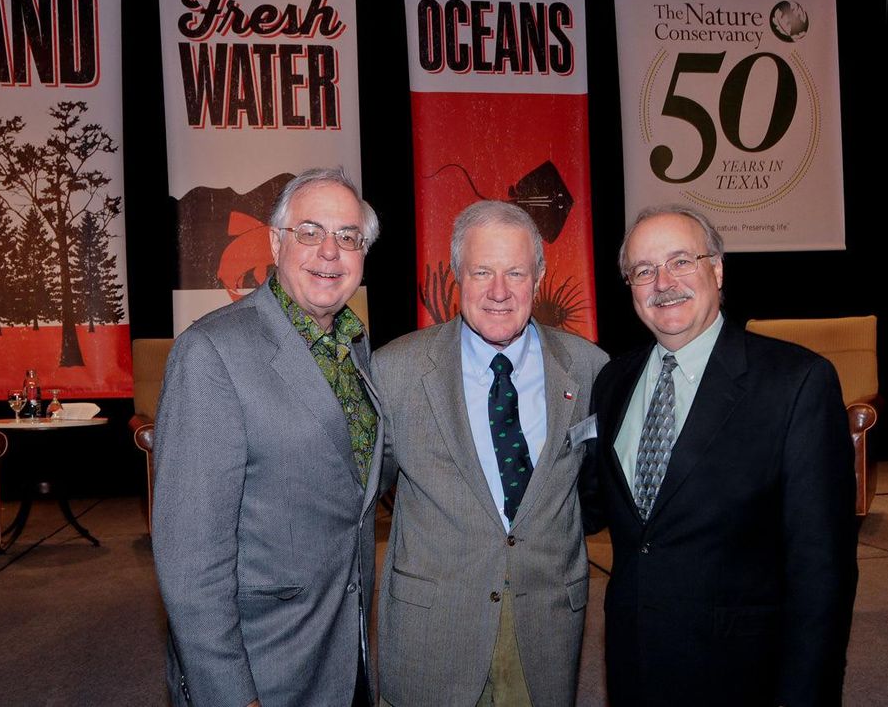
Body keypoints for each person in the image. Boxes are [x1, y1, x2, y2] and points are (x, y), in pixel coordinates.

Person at [585, 205, 858, 707]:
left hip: (743, 676)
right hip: (634, 667)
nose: (662, 282)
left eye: (681, 261)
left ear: (717, 269)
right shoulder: (612, 382)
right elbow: (596, 507)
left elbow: (822, 570)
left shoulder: (795, 383)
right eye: (643, 270)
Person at [151, 167, 382, 707]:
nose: (330, 251)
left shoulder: (353, 345)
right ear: (276, 242)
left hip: (344, 647)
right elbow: (190, 560)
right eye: (310, 232)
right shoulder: (211, 353)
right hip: (262, 666)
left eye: (348, 237)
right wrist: (231, 695)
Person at [373, 200, 608, 706]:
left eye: (515, 272)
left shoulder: (590, 369)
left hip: (545, 630)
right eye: (482, 271)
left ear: (539, 277)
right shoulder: (396, 371)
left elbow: (595, 491)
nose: (499, 291)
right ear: (457, 274)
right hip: (433, 631)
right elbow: (360, 497)